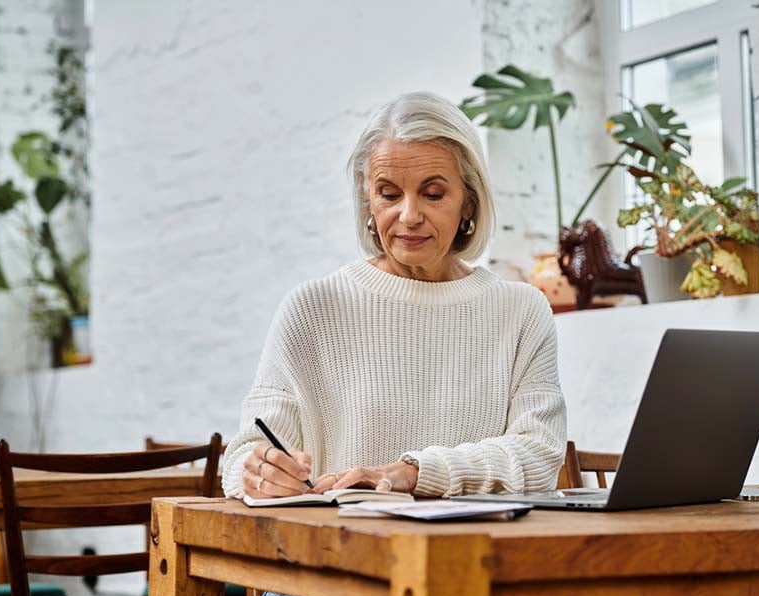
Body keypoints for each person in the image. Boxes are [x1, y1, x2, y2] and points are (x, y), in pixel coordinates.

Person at [222, 91, 566, 504]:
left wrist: (415, 474)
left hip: (482, 556)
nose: (408, 215)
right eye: (388, 193)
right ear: (368, 200)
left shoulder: (521, 311)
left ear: (468, 203)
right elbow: (245, 451)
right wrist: (260, 473)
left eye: (433, 194)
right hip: (342, 554)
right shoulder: (312, 307)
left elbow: (540, 455)